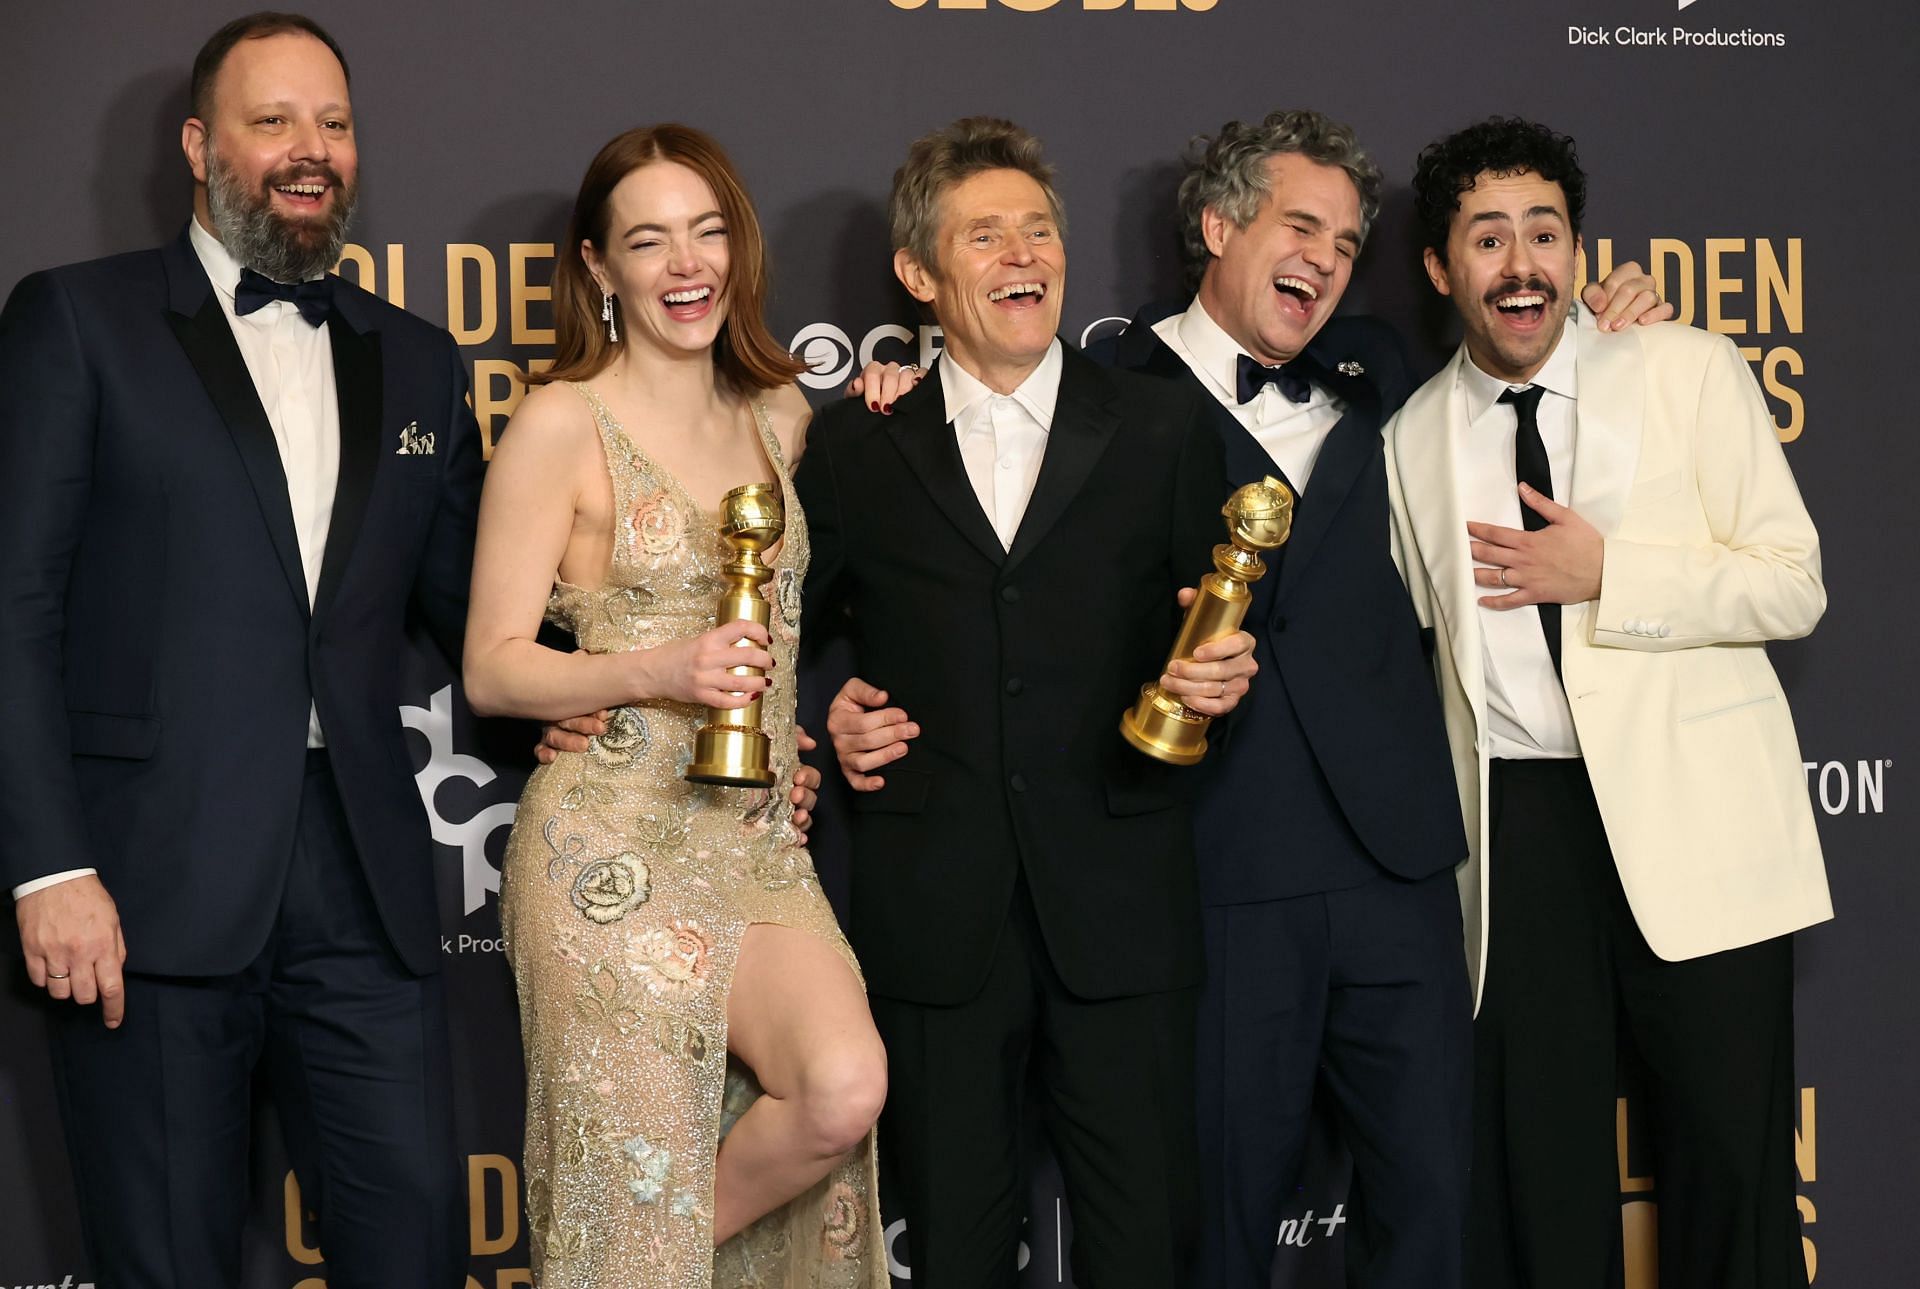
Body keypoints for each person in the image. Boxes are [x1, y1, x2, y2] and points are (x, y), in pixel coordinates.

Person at [1085, 110, 1670, 1289]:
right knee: (1225, 1214)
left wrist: (1621, 326)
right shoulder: (1099, 394)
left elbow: (1529, 344)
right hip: (1222, 866)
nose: (1328, 259)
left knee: (1431, 1210)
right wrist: (902, 377)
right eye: (1301, 227)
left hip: (1400, 866)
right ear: (1216, 224)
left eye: (1349, 243)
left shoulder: (1385, 367)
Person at [0, 13, 479, 1286]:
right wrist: (49, 864)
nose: (308, 150)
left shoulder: (423, 364)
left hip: (362, 880)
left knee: (417, 1239)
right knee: (164, 1258)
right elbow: (14, 607)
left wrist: (661, 707)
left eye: (332, 122)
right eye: (274, 122)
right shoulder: (77, 321)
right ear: (201, 144)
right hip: (141, 878)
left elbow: (484, 628)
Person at [802, 116, 1257, 1288]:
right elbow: (793, 633)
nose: (1023, 253)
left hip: (1122, 900)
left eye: (1040, 229)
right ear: (919, 273)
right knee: (953, 1239)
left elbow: (1219, 629)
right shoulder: (856, 447)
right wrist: (831, 709)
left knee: (1143, 1234)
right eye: (986, 232)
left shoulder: (1163, 426)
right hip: (934, 912)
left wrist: (1221, 680)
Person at [1385, 117, 1831, 1289]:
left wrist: (1609, 577)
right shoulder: (1408, 439)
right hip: (1520, 844)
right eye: (1488, 238)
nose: (1521, 261)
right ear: (1443, 268)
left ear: (1579, 251)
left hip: (1701, 826)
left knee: (1732, 1175)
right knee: (1541, 1185)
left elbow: (1794, 583)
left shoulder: (1686, 367)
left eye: (1545, 231)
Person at [463, 124, 886, 1287]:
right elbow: (495, 665)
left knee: (842, 1082)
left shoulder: (782, 417)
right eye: (648, 240)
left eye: (705, 231)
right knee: (630, 1160)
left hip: (753, 842)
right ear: (600, 268)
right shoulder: (561, 423)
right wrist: (654, 670)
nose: (684, 262)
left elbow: (797, 620)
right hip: (603, 845)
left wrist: (899, 393)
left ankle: (617, 1268)